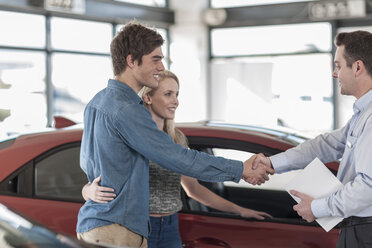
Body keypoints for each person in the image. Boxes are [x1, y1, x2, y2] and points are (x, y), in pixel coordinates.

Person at [76, 20, 273, 248]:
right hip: (117, 229)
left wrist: (90, 188)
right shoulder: (128, 109)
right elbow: (176, 157)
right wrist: (241, 168)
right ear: (131, 61)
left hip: (98, 224)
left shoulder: (97, 102)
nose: (161, 66)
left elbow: (88, 165)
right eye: (155, 59)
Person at [253, 30, 372, 248]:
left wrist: (317, 208)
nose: (335, 74)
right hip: (358, 228)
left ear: (357, 67)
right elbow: (327, 145)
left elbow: (369, 186)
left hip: (366, 232)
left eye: (338, 65)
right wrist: (272, 163)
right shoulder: (363, 113)